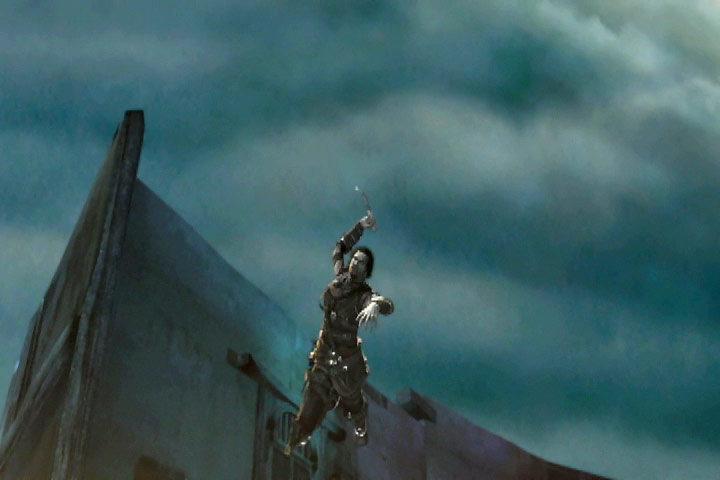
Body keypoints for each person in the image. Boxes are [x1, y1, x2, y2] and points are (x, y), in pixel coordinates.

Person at [285, 212, 394, 455]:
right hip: (324, 354)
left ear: (366, 271)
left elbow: (386, 304)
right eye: (354, 259)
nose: (355, 263)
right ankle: (294, 442)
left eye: (361, 262)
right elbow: (339, 247)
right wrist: (360, 226)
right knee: (311, 402)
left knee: (352, 402)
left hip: (346, 364)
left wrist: (375, 305)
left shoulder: (363, 294)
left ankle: (361, 427)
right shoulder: (339, 278)